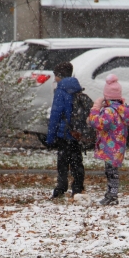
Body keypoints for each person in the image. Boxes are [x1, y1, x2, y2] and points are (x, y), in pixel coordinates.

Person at [88, 74, 129, 206]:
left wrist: (95, 108)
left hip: (109, 147)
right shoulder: (123, 110)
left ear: (106, 96)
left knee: (111, 172)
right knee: (112, 171)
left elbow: (97, 123)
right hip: (118, 146)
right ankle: (111, 194)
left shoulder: (109, 111)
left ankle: (112, 195)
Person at [46, 62, 85, 199]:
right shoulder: (77, 88)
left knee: (63, 162)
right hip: (76, 133)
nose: (54, 78)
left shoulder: (60, 91)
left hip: (64, 134)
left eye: (55, 75)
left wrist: (50, 137)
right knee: (76, 161)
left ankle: (61, 187)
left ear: (60, 76)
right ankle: (78, 188)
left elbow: (55, 115)